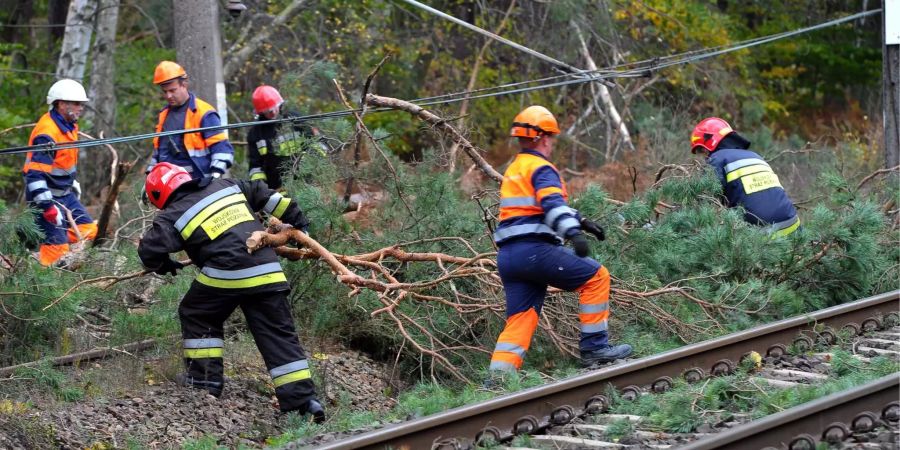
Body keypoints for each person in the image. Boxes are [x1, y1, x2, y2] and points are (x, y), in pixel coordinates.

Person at [137, 162, 324, 422]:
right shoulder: (227, 185)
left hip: (226, 273)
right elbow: (269, 196)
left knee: (197, 313)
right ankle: (303, 403)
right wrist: (299, 225)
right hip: (267, 269)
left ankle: (204, 382)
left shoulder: (172, 214)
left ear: (158, 194)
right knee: (278, 333)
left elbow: (148, 252)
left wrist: (163, 264)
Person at [488, 105, 632, 375]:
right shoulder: (542, 168)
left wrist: (581, 221)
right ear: (542, 137)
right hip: (534, 251)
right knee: (597, 277)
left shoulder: (515, 169)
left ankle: (498, 377)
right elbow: (552, 206)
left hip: (509, 258)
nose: (551, 142)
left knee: (521, 317)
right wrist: (573, 234)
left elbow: (532, 209)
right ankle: (595, 348)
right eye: (551, 137)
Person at [23, 79, 97, 266]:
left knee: (90, 230)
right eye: (77, 104)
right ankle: (47, 271)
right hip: (47, 199)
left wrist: (71, 182)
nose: (81, 108)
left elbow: (63, 162)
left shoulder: (69, 125)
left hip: (66, 195)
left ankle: (47, 236)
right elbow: (34, 176)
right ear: (62, 104)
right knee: (57, 254)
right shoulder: (47, 133)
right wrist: (47, 207)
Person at [690, 117, 800, 237]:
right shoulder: (755, 156)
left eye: (702, 150)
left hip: (761, 236)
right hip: (793, 225)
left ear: (710, 142)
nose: (703, 156)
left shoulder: (717, 159)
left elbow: (704, 199)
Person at [146, 61, 234, 180]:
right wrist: (150, 177)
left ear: (184, 85)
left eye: (172, 90)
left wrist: (214, 177)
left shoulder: (204, 112)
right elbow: (158, 153)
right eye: (165, 92)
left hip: (198, 183)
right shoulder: (164, 115)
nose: (168, 96)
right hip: (169, 185)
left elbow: (222, 150)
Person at [246, 85, 325, 190]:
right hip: (276, 188)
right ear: (260, 112)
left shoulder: (296, 119)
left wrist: (307, 162)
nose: (273, 113)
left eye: (274, 108)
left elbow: (318, 145)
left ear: (280, 104)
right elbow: (255, 167)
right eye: (267, 111)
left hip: (306, 182)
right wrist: (261, 188)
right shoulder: (256, 133)